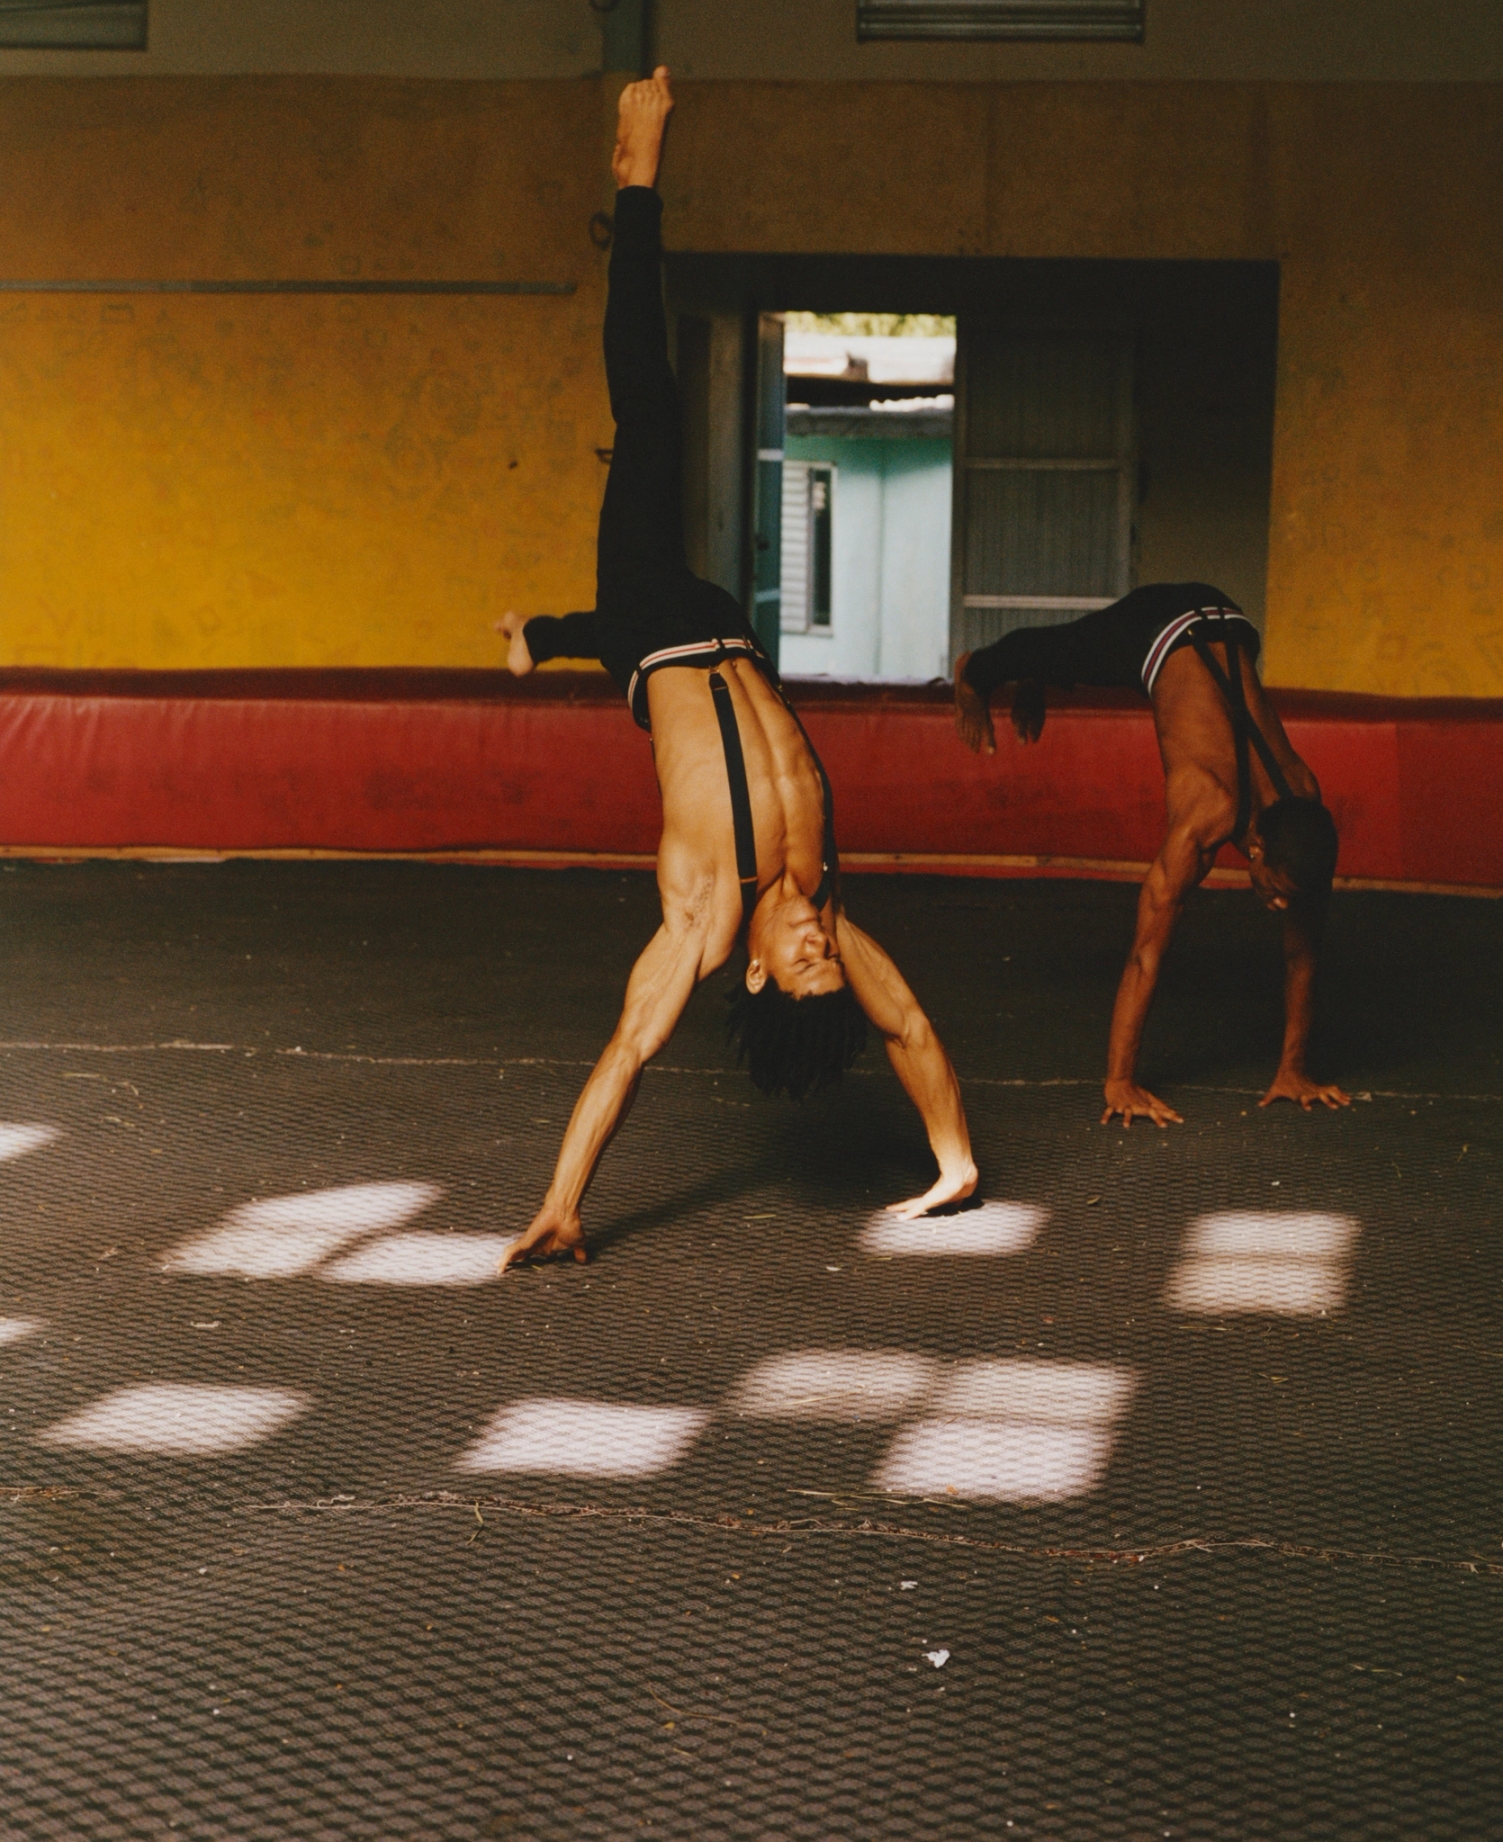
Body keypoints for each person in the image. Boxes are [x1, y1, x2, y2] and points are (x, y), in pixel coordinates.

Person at [495, 69, 977, 1267]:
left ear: (757, 981)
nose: (818, 945)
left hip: (656, 620)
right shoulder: (820, 895)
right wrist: (955, 1163)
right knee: (661, 456)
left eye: (802, 965)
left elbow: (627, 1050)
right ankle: (537, 635)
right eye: (828, 962)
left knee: (649, 413)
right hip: (724, 623)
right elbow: (910, 1026)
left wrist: (563, 1200)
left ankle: (638, 178)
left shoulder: (703, 926)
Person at [953, 586, 1349, 1130]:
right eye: (1275, 888)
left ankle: (1034, 678)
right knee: (1059, 648)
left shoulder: (1303, 809)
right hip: (1157, 627)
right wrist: (1119, 1081)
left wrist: (1293, 1070)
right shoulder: (1205, 814)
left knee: (1057, 662)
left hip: (1229, 623)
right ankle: (976, 673)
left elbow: (1302, 957)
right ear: (1253, 848)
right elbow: (1145, 955)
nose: (1280, 903)